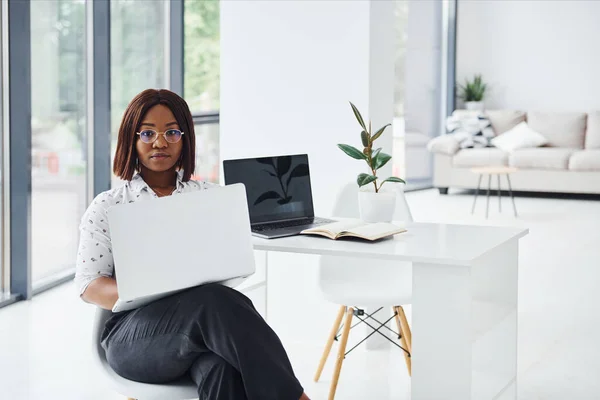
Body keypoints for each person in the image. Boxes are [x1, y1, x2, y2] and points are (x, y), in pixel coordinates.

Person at [75, 88, 310, 400]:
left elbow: (233, 253)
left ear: (184, 139)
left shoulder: (210, 199)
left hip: (201, 333)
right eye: (147, 133)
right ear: (131, 139)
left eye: (172, 132)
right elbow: (89, 286)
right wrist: (148, 287)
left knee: (222, 368)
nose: (160, 142)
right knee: (213, 301)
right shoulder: (109, 205)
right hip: (134, 338)